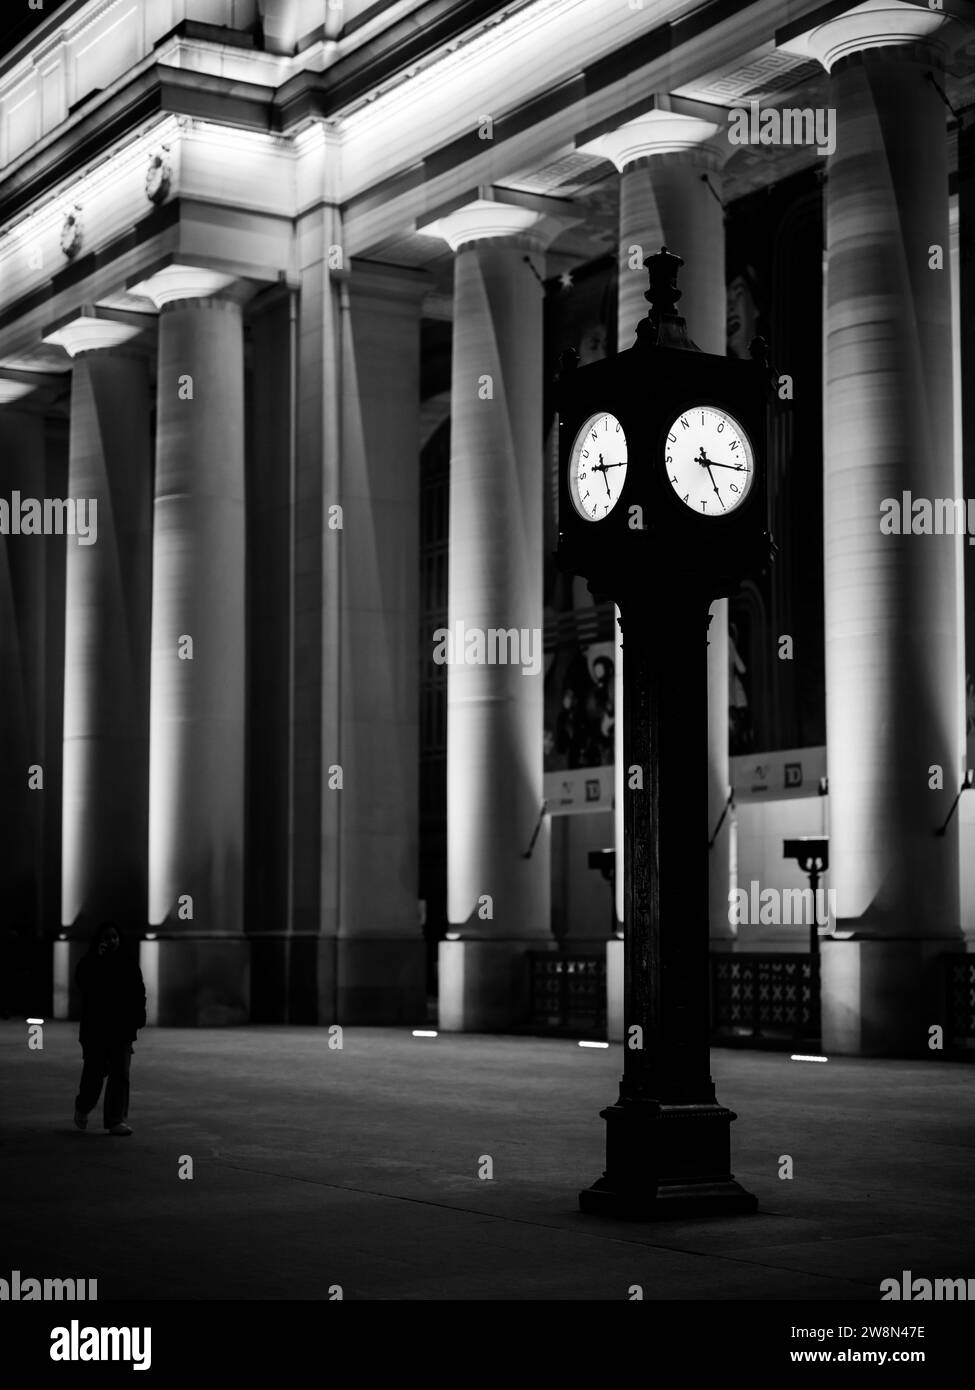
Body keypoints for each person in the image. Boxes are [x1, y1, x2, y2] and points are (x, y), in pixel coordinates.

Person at [73, 923, 147, 1137]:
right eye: (107, 937)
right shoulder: (90, 962)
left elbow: (138, 991)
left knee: (120, 1074)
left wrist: (138, 1016)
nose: (112, 940)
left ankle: (115, 1120)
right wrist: (96, 959)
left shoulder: (128, 963)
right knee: (94, 1074)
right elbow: (84, 983)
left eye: (115, 936)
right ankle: (83, 1105)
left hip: (121, 1028)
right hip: (96, 1027)